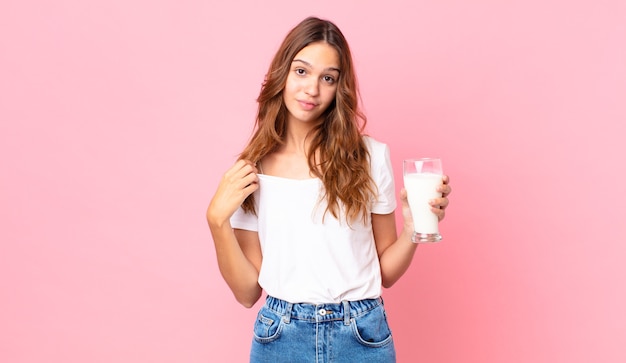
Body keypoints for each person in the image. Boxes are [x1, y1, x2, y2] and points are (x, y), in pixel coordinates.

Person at [206, 16, 451, 363]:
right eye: (302, 72)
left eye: (328, 78)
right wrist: (216, 220)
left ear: (340, 88)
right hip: (281, 337)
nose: (312, 89)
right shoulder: (253, 169)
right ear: (282, 74)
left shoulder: (369, 157)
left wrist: (413, 230)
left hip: (362, 335)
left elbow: (386, 274)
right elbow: (247, 293)